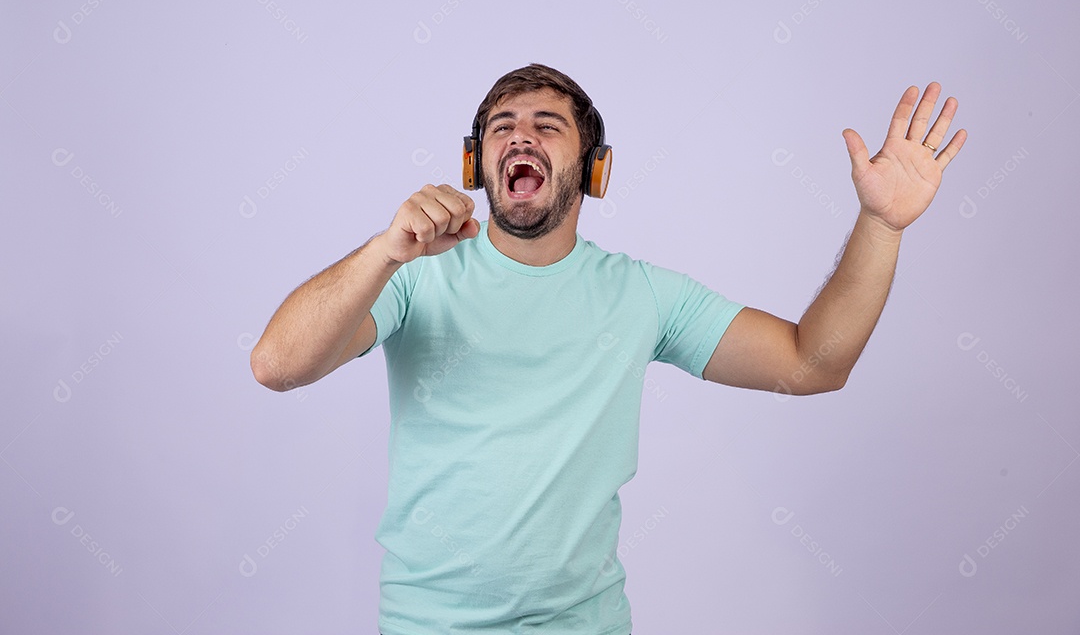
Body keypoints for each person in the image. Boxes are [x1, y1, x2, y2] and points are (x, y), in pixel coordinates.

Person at [250, 63, 967, 634]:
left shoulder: (642, 295)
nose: (519, 137)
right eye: (500, 126)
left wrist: (881, 224)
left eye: (546, 125)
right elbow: (276, 366)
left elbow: (813, 364)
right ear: (476, 163)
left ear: (595, 167)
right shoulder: (412, 277)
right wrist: (384, 250)